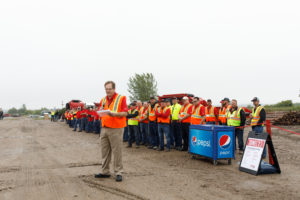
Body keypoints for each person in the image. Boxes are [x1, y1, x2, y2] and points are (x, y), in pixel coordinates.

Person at [95, 81, 128, 182]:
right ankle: (105, 171)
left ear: (114, 89)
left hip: (116, 128)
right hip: (104, 128)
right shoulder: (103, 99)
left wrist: (115, 114)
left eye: (109, 89)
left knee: (117, 151)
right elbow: (101, 112)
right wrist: (100, 110)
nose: (107, 91)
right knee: (104, 151)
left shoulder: (121, 98)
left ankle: (118, 172)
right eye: (106, 89)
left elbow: (125, 113)